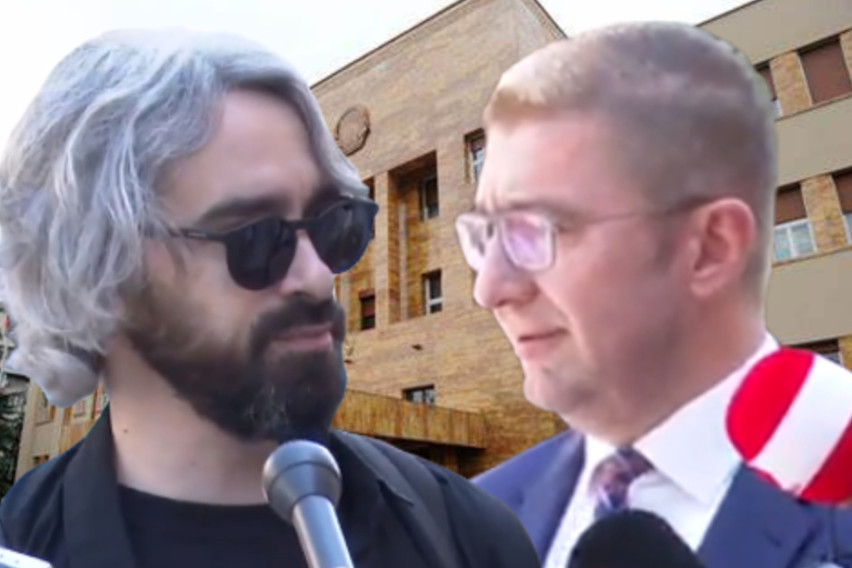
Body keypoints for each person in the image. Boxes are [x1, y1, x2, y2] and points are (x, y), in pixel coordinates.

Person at [0, 29, 540, 568]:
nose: (318, 276)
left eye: (335, 227)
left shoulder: (468, 535)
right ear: (99, 268)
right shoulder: (21, 545)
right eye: (257, 237)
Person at [457, 21, 852, 568]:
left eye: (536, 232)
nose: (488, 289)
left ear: (710, 248)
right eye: (485, 238)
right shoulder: (474, 518)